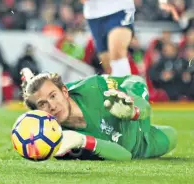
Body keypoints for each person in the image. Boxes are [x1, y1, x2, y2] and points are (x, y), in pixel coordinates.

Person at [21, 68, 177, 160]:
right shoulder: (58, 142)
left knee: (174, 136)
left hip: (141, 126)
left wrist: (133, 110)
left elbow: (136, 81)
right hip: (141, 148)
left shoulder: (94, 87)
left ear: (64, 91)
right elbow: (125, 155)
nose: (52, 106)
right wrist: (83, 140)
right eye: (43, 104)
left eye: (53, 96)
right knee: (171, 136)